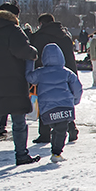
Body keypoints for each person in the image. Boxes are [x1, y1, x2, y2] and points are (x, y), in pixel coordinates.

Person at [0, 3, 42, 169]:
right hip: (13, 84)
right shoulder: (14, 31)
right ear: (14, 16)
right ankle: (21, 155)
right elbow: (22, 51)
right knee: (19, 123)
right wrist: (33, 52)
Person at [29, 13, 81, 145]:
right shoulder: (65, 35)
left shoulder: (41, 37)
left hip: (46, 74)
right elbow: (70, 56)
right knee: (64, 103)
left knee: (46, 102)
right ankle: (71, 128)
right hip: (66, 72)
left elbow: (34, 53)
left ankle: (45, 133)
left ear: (42, 24)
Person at [27, 43, 82, 162]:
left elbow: (29, 78)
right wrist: (75, 100)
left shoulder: (40, 72)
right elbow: (77, 87)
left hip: (48, 107)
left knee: (54, 127)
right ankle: (56, 153)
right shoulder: (66, 72)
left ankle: (55, 151)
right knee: (61, 129)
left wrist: (30, 62)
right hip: (65, 105)